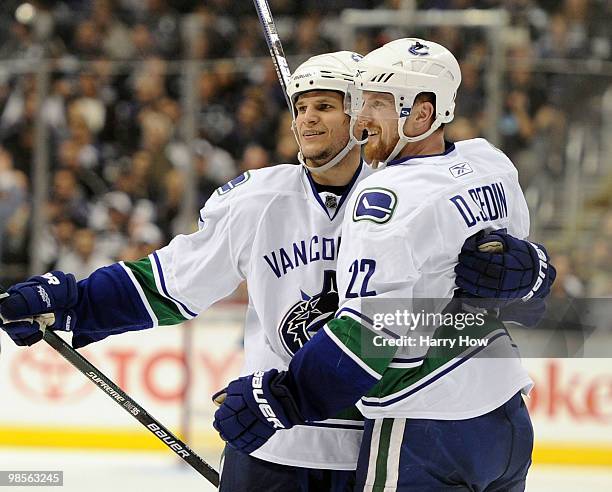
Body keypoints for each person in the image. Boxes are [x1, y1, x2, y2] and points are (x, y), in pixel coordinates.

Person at [1, 50, 548, 492]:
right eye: (301, 106)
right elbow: (168, 281)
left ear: (361, 115)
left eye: (327, 106)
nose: (307, 118)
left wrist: (530, 278)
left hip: (370, 443)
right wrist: (70, 302)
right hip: (273, 446)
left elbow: (480, 296)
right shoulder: (258, 199)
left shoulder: (411, 192)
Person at [212, 39, 556, 492]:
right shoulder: (490, 163)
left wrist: (280, 399)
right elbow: (523, 294)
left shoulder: (385, 200)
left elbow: (366, 340)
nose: (361, 119)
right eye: (360, 103)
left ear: (423, 113)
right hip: (506, 419)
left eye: (377, 103)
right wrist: (535, 274)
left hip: (424, 421)